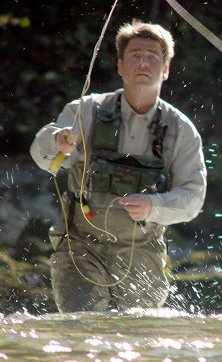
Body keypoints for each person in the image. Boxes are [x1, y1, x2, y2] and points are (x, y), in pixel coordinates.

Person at [30, 21, 206, 312]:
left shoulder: (181, 130)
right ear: (121, 66)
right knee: (83, 331)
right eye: (135, 54)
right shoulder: (85, 110)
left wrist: (153, 205)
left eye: (152, 56)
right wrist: (56, 142)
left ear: (165, 70)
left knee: (135, 341)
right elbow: (41, 156)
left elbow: (193, 198)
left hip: (143, 254)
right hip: (80, 249)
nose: (143, 62)